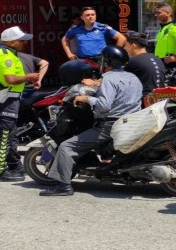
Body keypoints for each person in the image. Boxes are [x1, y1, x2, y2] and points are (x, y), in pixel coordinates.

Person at [39, 46, 142, 196]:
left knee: (66, 146)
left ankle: (63, 187)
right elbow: (118, 92)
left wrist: (86, 98)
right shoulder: (133, 77)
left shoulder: (108, 79)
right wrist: (95, 85)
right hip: (131, 121)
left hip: (109, 125)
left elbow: (104, 105)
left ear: (107, 62)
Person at [0, 26, 40, 182]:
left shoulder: (7, 53)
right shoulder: (5, 55)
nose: (23, 43)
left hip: (8, 98)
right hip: (4, 99)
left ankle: (14, 165)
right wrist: (28, 77)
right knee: (3, 135)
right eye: (20, 40)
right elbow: (10, 79)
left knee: (11, 133)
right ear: (10, 42)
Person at [62, 7, 127, 61]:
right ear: (82, 17)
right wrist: (69, 54)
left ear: (95, 16)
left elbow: (121, 38)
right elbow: (64, 39)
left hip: (101, 61)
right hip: (82, 61)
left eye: (93, 15)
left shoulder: (102, 28)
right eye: (87, 15)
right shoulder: (75, 29)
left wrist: (113, 54)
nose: (90, 16)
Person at [123, 32, 165, 97]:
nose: (124, 48)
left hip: (144, 101)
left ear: (133, 46)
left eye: (125, 45)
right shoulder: (157, 58)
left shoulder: (132, 61)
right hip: (160, 97)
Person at [153, 3, 176, 67]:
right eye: (155, 13)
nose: (156, 15)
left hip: (169, 62)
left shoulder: (173, 27)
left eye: (159, 13)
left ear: (168, 13)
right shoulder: (164, 27)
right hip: (161, 61)